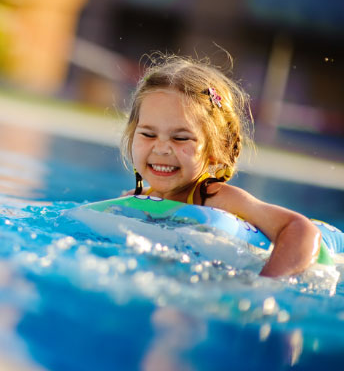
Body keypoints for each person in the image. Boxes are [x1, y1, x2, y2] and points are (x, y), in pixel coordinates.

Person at [120, 54, 321, 277]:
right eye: (148, 134)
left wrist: (265, 285)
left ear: (217, 148)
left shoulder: (219, 199)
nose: (161, 149)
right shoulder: (133, 200)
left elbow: (300, 229)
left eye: (181, 138)